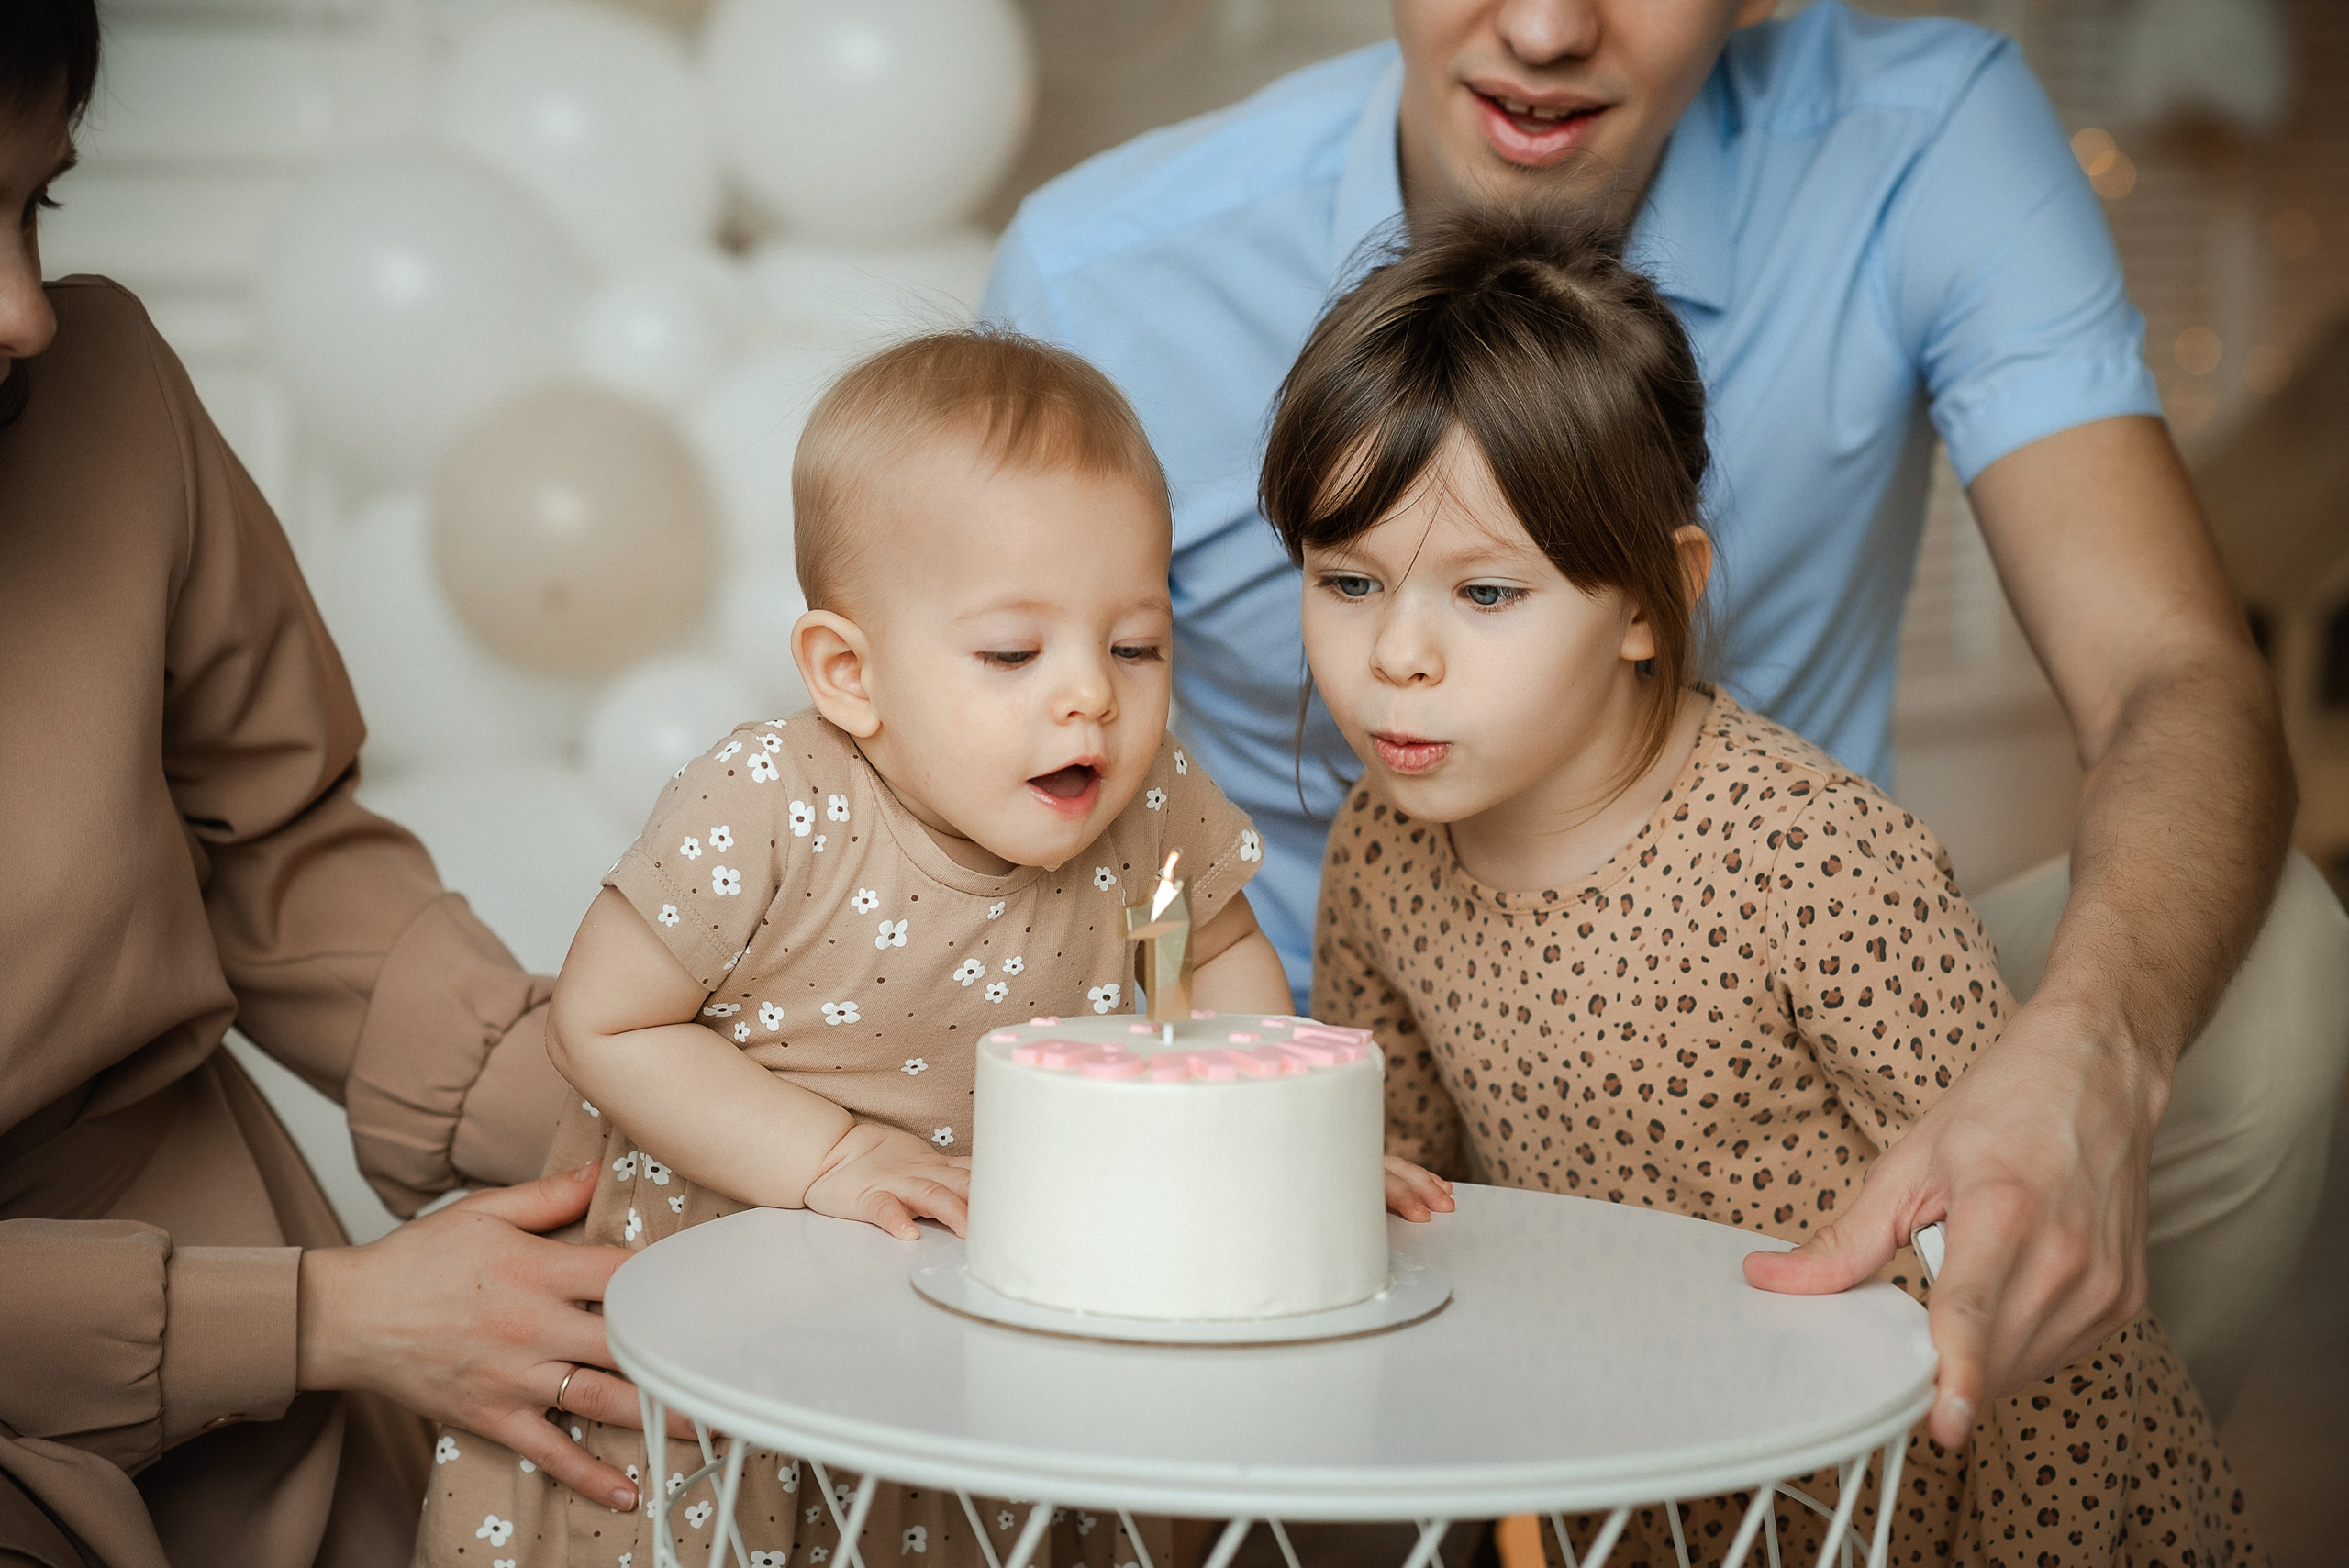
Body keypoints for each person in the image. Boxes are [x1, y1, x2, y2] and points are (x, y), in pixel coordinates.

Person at [982, 0, 2349, 1445]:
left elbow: (2169, 668)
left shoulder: (1920, 138)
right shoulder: (1102, 273)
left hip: (1792, 1067)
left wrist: (2088, 1060)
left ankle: (1975, 1437)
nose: (1547, 25)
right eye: (1347, 577)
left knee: (2269, 974)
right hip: (1352, 1092)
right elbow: (979, 764)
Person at [1293, 206, 2253, 1566]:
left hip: (1928, 1503)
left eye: (1486, 593)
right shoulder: (1378, 849)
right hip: (1645, 1491)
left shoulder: (1814, 865)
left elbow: (2027, 1289)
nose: (1397, 653)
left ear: (1647, 597)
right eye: (1347, 577)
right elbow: (1412, 1215)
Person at [413, 329, 1456, 1567]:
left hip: (982, 1320)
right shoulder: (765, 803)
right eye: (1014, 653)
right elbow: (603, 1022)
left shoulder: (1146, 801)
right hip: (731, 1338)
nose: (1090, 697)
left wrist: (1288, 1145)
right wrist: (836, 1152)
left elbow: (1221, 963)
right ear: (851, 673)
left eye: (1135, 644)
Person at [0, 8, 680, 1563]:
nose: (26, 310)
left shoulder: (100, 395)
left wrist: (651, 1109)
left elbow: (280, 861)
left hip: (263, 1414)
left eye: (37, 205)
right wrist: (328, 1315)